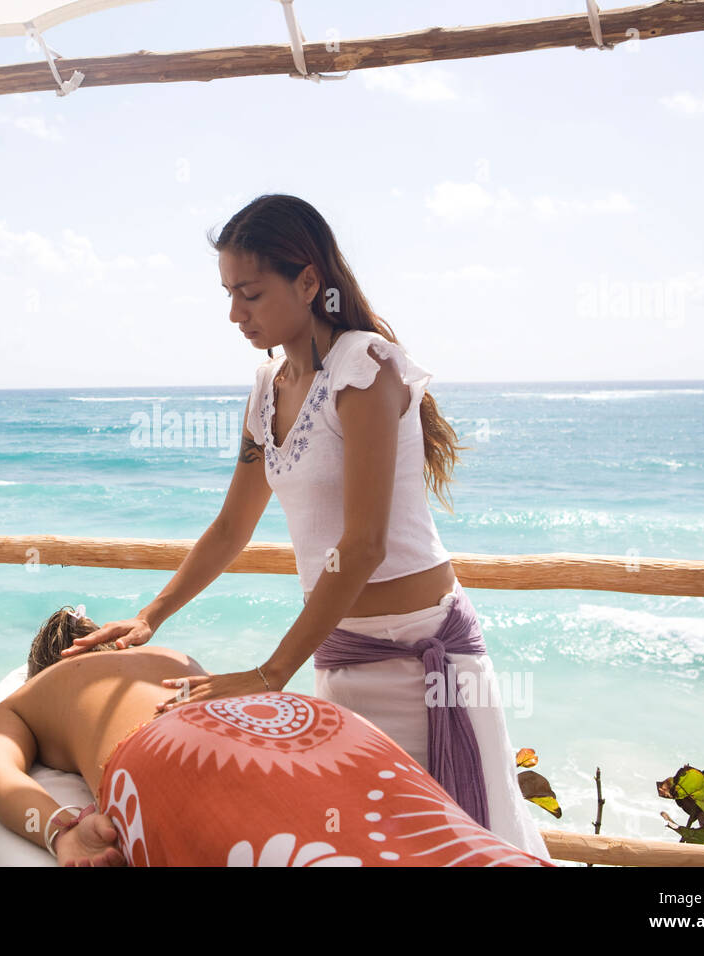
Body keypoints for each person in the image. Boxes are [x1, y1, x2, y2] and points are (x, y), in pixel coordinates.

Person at [61, 194, 549, 858]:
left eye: (251, 293)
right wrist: (153, 616)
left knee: (459, 847)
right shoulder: (268, 387)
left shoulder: (364, 367)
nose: (236, 313)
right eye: (229, 294)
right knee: (370, 846)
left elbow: (365, 541)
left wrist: (269, 674)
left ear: (309, 281)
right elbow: (232, 525)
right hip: (341, 658)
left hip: (422, 662)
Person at [0, 606, 554, 867]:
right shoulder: (169, 655)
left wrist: (62, 830)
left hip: (172, 751)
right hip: (301, 719)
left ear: (41, 666)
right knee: (429, 841)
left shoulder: (34, 695)